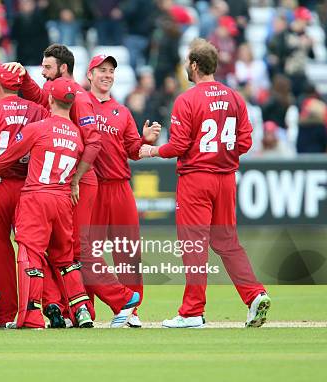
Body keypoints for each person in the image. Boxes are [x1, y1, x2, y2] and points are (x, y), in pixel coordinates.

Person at [139, 38, 271, 328]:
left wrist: (150, 150)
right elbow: (246, 141)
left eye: (188, 62)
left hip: (196, 179)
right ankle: (254, 294)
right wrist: (222, 156)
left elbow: (178, 146)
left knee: (193, 246)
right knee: (228, 243)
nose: (186, 66)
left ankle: (191, 312)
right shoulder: (235, 97)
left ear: (195, 65)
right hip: (225, 179)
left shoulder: (187, 99)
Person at [4, 44, 101, 324]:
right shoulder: (59, 92)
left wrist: (75, 179)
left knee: (65, 250)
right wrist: (23, 78)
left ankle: (46, 312)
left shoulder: (78, 98)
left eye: (47, 68)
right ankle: (71, 309)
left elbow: (94, 141)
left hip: (72, 181)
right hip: (63, 182)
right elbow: (41, 97)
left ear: (63, 69)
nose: (43, 73)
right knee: (64, 251)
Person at [86, 55, 162, 327]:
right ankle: (85, 310)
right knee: (88, 252)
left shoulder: (122, 112)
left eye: (111, 71)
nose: (107, 75)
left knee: (128, 251)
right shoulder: (80, 105)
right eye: (101, 70)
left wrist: (146, 141)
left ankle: (132, 311)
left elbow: (133, 151)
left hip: (119, 187)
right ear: (90, 75)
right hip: (91, 188)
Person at [0, 59, 49, 326]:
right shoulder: (39, 111)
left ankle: (4, 313)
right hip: (30, 187)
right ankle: (37, 309)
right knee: (32, 251)